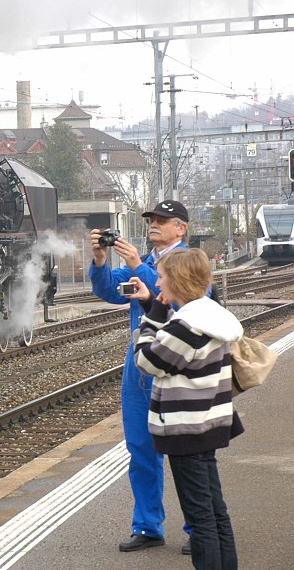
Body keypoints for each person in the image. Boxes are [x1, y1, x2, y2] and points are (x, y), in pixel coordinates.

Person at [125, 248, 242, 570]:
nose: (158, 283)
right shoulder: (211, 315)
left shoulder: (187, 326)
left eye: (161, 277)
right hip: (211, 422)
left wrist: (150, 318)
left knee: (200, 517)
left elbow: (147, 361)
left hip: (186, 429)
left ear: (177, 280)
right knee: (216, 512)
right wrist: (155, 305)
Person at [88, 199, 190, 553]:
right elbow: (106, 291)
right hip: (141, 369)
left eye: (163, 220)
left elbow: (180, 302)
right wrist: (101, 262)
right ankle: (148, 526)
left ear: (182, 228)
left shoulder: (190, 263)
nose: (154, 224)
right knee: (140, 450)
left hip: (178, 369)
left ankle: (198, 527)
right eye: (152, 219)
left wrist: (136, 265)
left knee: (186, 452)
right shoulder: (146, 263)